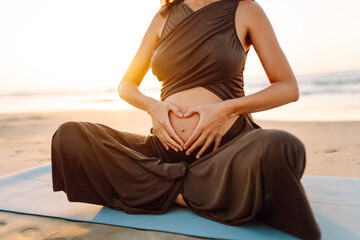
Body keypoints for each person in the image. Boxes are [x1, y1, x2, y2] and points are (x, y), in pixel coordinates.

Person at [51, 0, 321, 239]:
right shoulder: (163, 16)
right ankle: (193, 192)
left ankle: (157, 188)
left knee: (281, 146)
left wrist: (226, 110)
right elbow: (127, 85)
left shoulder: (246, 10)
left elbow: (287, 87)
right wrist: (153, 107)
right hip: (163, 152)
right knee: (70, 136)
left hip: (225, 151)